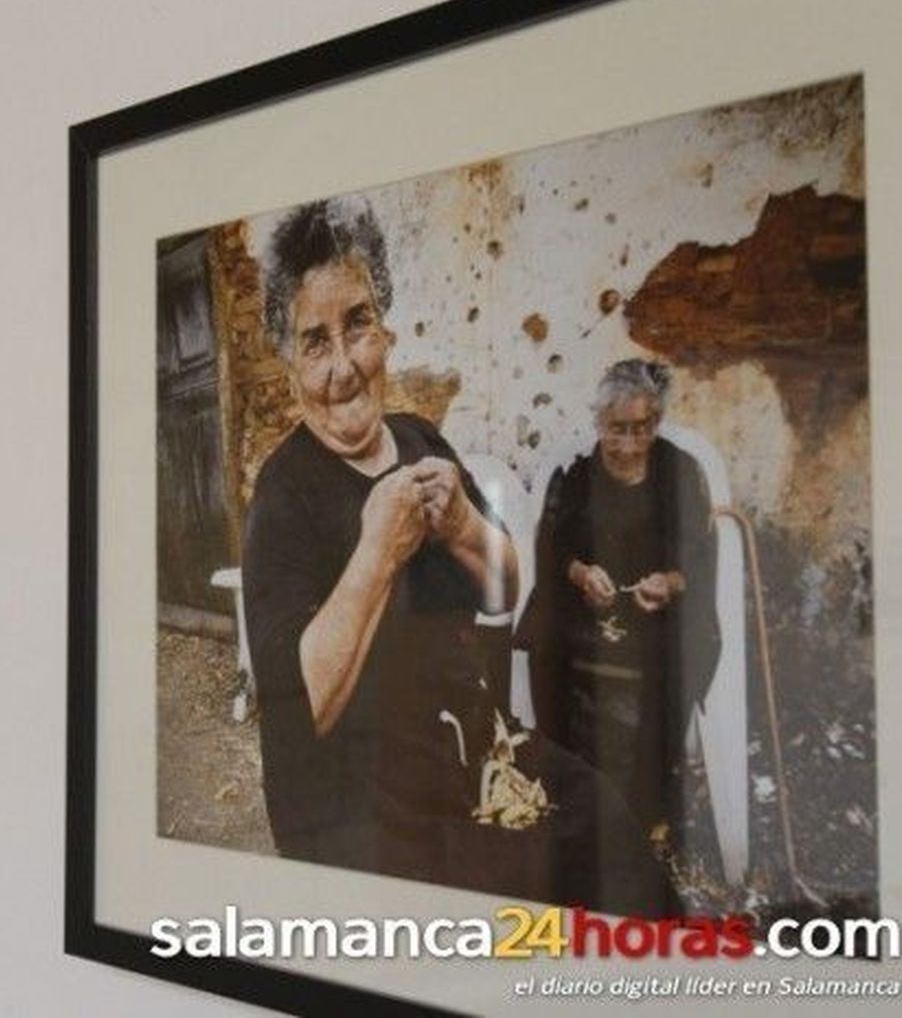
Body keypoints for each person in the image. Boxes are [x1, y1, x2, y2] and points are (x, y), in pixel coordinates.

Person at [243, 198, 674, 914]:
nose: (344, 366)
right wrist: (377, 553)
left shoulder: (420, 439)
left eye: (358, 323)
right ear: (289, 363)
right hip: (359, 800)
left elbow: (504, 588)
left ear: (386, 326)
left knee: (608, 825)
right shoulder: (283, 496)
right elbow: (302, 704)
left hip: (471, 749)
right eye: (314, 342)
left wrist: (466, 525)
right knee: (515, 887)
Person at [519, 359, 720, 836]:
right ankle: (567, 787)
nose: (628, 443)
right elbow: (549, 551)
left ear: (657, 421)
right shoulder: (574, 475)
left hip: (658, 611)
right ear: (599, 421)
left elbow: (701, 555)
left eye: (641, 428)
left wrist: (669, 582)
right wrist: (582, 574)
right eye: (616, 429)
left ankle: (648, 807)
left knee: (678, 651)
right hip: (586, 605)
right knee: (548, 638)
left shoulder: (681, 472)